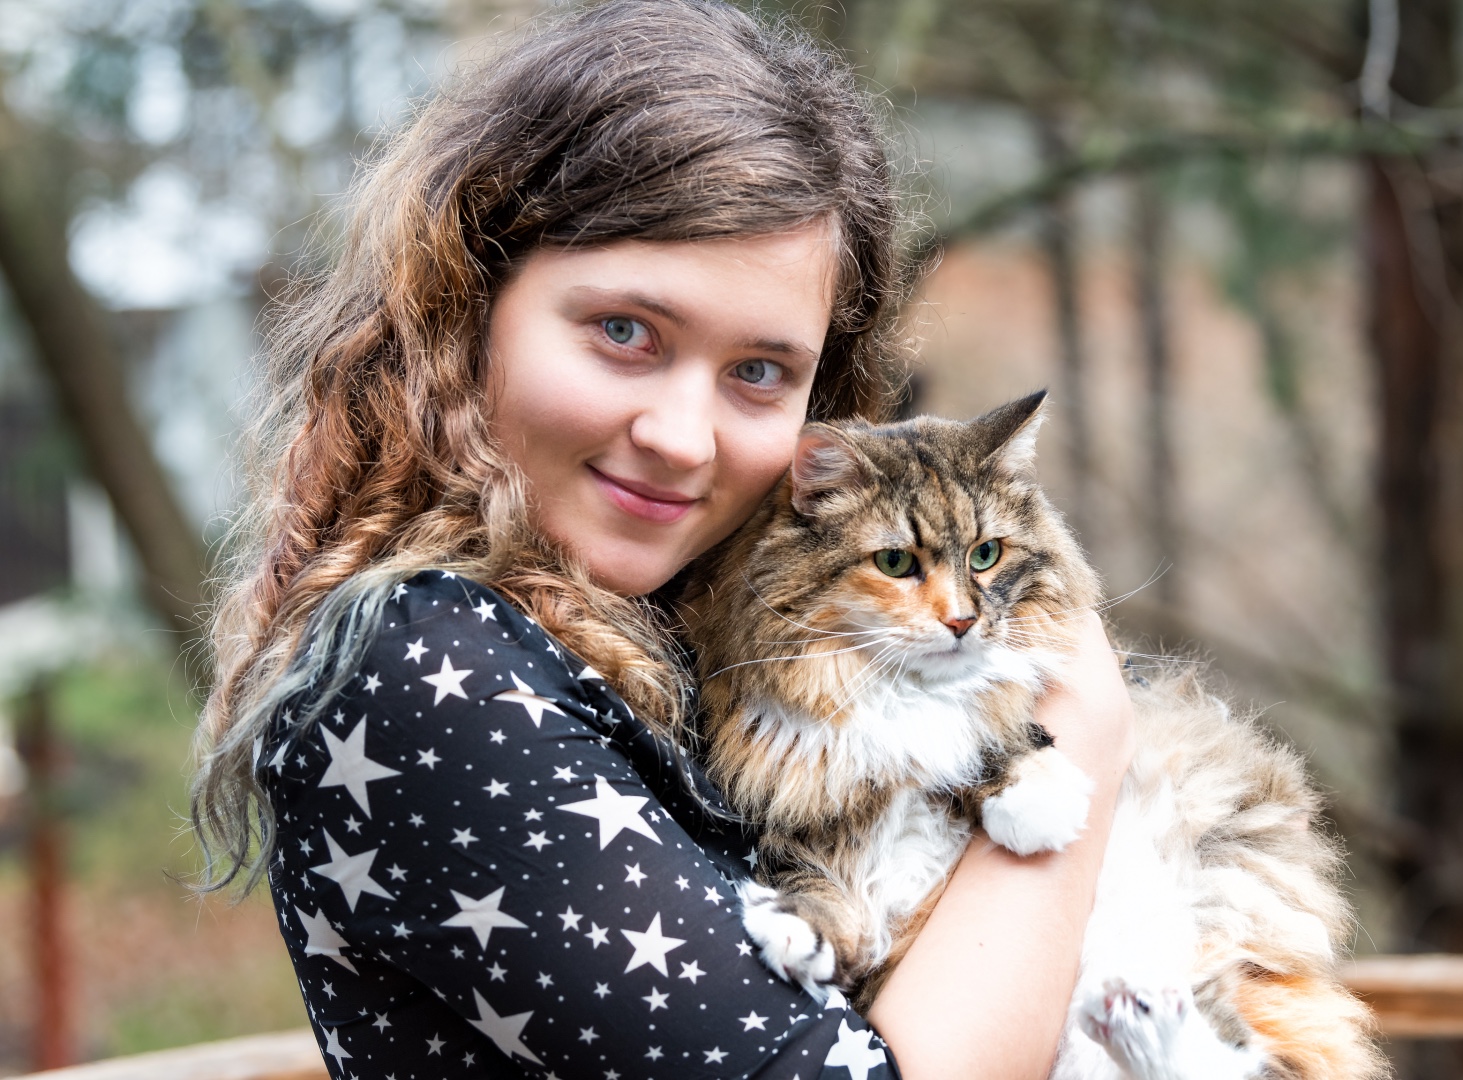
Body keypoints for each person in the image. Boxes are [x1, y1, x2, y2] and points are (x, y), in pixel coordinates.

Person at [187, 3, 1136, 1078]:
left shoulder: (692, 637)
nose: (683, 440)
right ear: (469, 301)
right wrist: (1083, 733)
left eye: (760, 372)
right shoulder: (423, 667)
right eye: (625, 333)